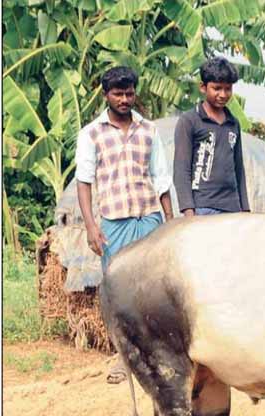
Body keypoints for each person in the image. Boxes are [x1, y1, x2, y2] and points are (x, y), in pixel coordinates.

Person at [75, 66, 173, 383]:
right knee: (118, 291)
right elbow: (84, 181)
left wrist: (170, 221)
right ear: (106, 95)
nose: (124, 99)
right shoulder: (91, 133)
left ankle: (160, 353)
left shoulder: (148, 130)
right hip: (114, 222)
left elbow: (161, 178)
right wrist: (91, 226)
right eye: (118, 93)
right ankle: (122, 357)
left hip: (149, 217)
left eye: (129, 93)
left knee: (155, 289)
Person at [173, 57, 250, 216]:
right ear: (203, 87)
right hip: (202, 206)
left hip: (232, 206)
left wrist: (245, 208)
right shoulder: (189, 121)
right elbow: (181, 170)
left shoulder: (233, 123)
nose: (223, 94)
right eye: (217, 88)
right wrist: (188, 210)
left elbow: (239, 168)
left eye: (228, 89)